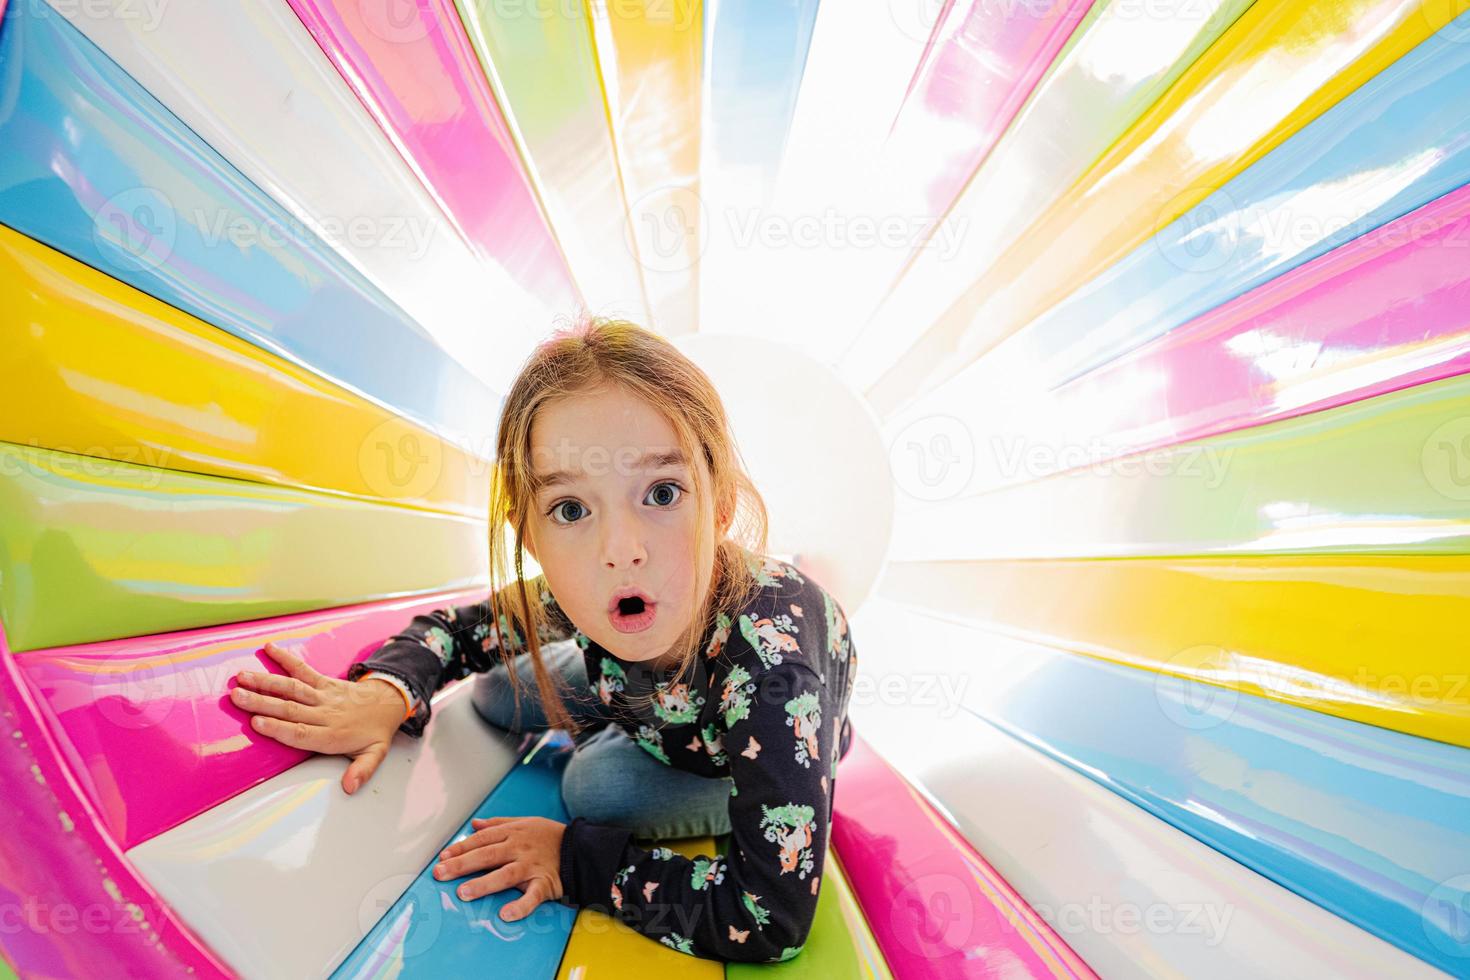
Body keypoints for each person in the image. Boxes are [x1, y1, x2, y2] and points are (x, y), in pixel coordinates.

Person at [229, 314, 857, 963]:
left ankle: (662, 741)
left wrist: (576, 861)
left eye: (662, 493)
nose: (621, 551)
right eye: (572, 510)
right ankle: (617, 699)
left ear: (720, 505)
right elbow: (463, 630)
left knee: (592, 788)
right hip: (641, 690)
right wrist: (389, 691)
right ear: (531, 535)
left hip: (731, 747)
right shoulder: (590, 583)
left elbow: (770, 918)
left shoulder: (771, 671)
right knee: (497, 691)